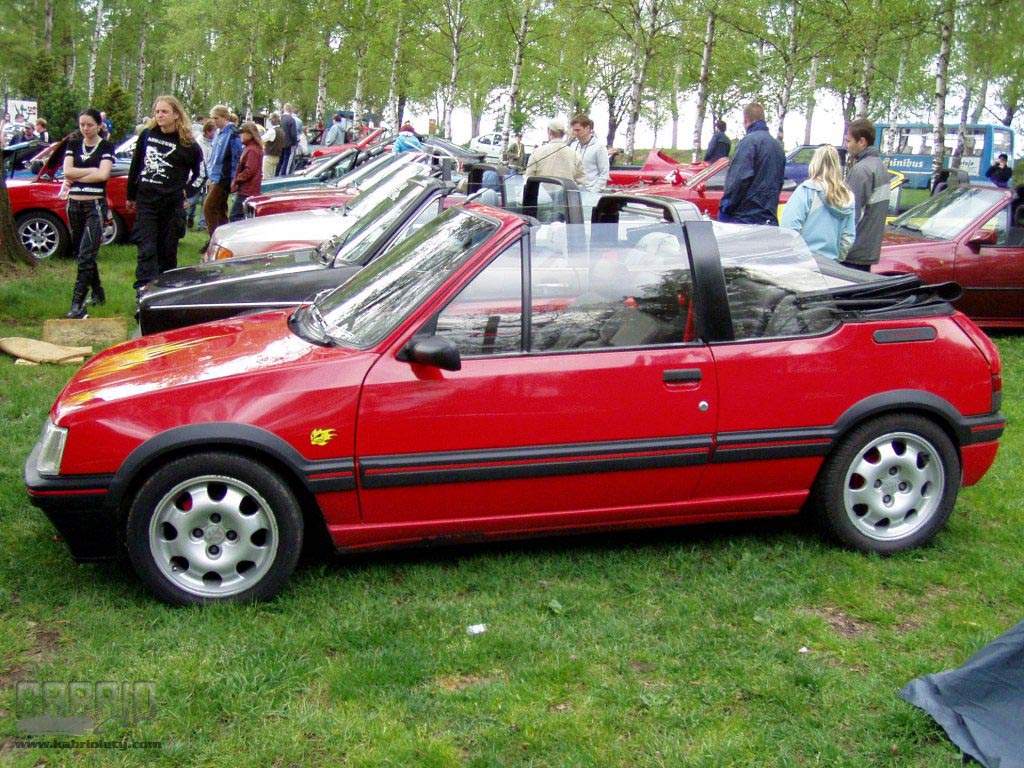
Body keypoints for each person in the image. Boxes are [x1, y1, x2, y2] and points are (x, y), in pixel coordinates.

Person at [127, 95, 203, 289]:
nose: (160, 115)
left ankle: (165, 291)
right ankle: (143, 290)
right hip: (146, 201)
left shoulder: (188, 144)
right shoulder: (147, 135)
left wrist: (188, 192)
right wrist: (130, 194)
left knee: (167, 251)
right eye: (157, 111)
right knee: (146, 248)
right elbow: (136, 165)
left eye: (164, 111)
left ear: (176, 114)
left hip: (171, 204)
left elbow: (201, 173)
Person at [59, 109, 116, 318]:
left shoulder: (106, 146)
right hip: (74, 204)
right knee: (82, 252)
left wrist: (79, 174)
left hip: (95, 205)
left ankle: (77, 303)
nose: (85, 128)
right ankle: (98, 293)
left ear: (99, 125)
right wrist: (91, 171)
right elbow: (67, 172)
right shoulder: (73, 145)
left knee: (86, 254)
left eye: (90, 124)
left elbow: (103, 175)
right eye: (82, 124)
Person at [780, 145, 855, 261]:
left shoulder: (806, 190)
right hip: (831, 263)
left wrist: (798, 256)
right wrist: (836, 259)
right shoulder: (847, 197)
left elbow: (789, 228)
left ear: (814, 163)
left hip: (805, 262)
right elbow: (848, 238)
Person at [718, 103, 785, 225]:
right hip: (769, 218)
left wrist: (725, 209)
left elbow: (738, 180)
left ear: (746, 120)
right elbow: (779, 182)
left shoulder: (748, 142)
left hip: (745, 219)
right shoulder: (778, 147)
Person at [843, 118, 889, 271]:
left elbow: (850, 213)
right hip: (868, 249)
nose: (846, 145)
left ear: (862, 141)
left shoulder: (861, 170)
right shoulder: (880, 167)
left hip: (854, 252)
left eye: (849, 141)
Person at [202, 104, 242, 251]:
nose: (213, 121)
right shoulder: (220, 133)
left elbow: (236, 157)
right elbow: (214, 156)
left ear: (225, 117)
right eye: (212, 118)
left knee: (208, 207)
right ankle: (224, 241)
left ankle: (214, 240)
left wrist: (233, 178)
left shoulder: (232, 134)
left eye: (216, 118)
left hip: (224, 177)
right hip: (216, 175)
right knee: (219, 209)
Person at [524, 120, 585, 184]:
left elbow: (528, 178)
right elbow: (581, 181)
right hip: (565, 190)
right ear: (563, 134)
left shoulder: (537, 152)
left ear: (549, 132)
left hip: (542, 190)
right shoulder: (575, 155)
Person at [229, 121, 264, 221]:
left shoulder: (252, 150)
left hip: (247, 190)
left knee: (235, 216)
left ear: (250, 134)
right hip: (249, 189)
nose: (240, 135)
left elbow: (250, 170)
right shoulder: (251, 148)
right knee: (243, 216)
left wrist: (237, 179)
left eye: (242, 133)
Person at [187, 119, 215, 230]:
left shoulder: (214, 143)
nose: (215, 133)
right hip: (197, 175)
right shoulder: (198, 143)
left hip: (209, 176)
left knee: (206, 201)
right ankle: (188, 218)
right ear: (208, 131)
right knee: (192, 200)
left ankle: (202, 224)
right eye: (213, 131)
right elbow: (197, 161)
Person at [569, 114, 610, 192]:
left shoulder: (599, 147)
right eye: (574, 130)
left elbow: (604, 174)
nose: (575, 133)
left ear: (587, 128)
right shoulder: (573, 145)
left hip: (591, 192)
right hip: (574, 191)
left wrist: (593, 192)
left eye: (578, 130)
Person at [277, 103, 298, 176]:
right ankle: (284, 176)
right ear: (291, 110)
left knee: (280, 161)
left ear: (284, 109)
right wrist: (295, 143)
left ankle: (276, 175)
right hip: (288, 144)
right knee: (287, 161)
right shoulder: (291, 120)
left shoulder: (280, 119)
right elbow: (293, 134)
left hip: (280, 143)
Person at [262, 112, 283, 179]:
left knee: (266, 178)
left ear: (274, 119)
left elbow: (261, 139)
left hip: (269, 156)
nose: (270, 121)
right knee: (272, 178)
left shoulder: (272, 131)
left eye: (270, 119)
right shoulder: (281, 130)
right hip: (277, 157)